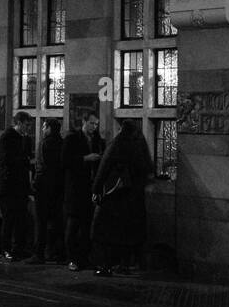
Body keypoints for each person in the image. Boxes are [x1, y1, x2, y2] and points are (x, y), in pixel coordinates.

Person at [90, 119, 153, 276]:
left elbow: (104, 167)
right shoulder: (140, 144)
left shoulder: (117, 143)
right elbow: (147, 169)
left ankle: (105, 266)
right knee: (127, 233)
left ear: (121, 129)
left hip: (116, 195)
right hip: (134, 197)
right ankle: (125, 265)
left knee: (102, 230)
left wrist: (96, 188)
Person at [62, 110, 103, 271]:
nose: (94, 127)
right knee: (73, 226)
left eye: (96, 124)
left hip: (89, 189)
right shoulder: (72, 139)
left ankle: (84, 258)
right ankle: (72, 258)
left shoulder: (97, 140)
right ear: (84, 122)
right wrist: (85, 158)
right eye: (92, 123)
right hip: (75, 189)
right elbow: (65, 161)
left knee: (86, 227)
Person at [0, 112, 33, 262]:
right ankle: (6, 248)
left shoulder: (24, 139)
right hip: (9, 185)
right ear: (18, 122)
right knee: (9, 218)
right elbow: (6, 160)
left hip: (20, 185)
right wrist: (26, 160)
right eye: (26, 125)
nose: (28, 128)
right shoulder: (7, 137)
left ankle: (18, 247)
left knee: (20, 219)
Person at [29, 118, 65, 264]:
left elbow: (42, 167)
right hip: (58, 188)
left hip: (43, 188)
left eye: (44, 127)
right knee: (57, 222)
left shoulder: (44, 143)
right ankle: (57, 252)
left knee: (41, 222)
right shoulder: (62, 143)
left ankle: (39, 253)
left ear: (49, 128)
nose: (43, 129)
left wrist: (35, 183)